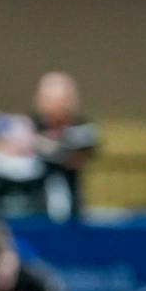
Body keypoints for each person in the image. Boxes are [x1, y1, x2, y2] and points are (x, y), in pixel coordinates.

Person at [30, 71, 99, 216]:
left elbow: (77, 158)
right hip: (33, 205)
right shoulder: (28, 125)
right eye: (50, 99)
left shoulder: (83, 127)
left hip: (72, 204)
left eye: (63, 99)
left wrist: (43, 145)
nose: (57, 105)